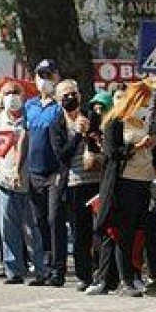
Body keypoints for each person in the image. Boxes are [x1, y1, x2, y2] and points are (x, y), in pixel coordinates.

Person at [88, 82, 156, 297]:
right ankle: (124, 279)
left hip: (146, 179)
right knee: (122, 231)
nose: (145, 107)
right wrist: (137, 147)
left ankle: (138, 275)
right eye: (143, 102)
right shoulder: (115, 122)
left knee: (141, 232)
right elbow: (112, 151)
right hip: (124, 182)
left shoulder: (148, 122)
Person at [0, 82, 45, 285]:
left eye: (15, 92)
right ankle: (13, 270)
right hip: (4, 180)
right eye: (7, 93)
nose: (12, 96)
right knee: (7, 227)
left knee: (31, 228)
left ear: (23, 95)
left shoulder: (29, 118)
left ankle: (40, 269)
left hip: (29, 181)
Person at [25, 59, 67, 287]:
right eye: (41, 75)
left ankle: (57, 271)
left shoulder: (61, 106)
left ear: (57, 77)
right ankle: (43, 269)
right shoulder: (30, 105)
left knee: (54, 220)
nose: (45, 80)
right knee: (39, 222)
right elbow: (25, 137)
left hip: (55, 173)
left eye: (49, 75)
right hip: (34, 173)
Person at [60, 82, 101, 293]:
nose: (70, 98)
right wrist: (76, 134)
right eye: (65, 95)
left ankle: (101, 273)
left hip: (96, 180)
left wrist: (90, 133)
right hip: (74, 183)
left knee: (100, 230)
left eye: (73, 94)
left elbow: (100, 142)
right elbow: (62, 155)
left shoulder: (91, 116)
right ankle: (84, 275)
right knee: (80, 233)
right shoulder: (57, 123)